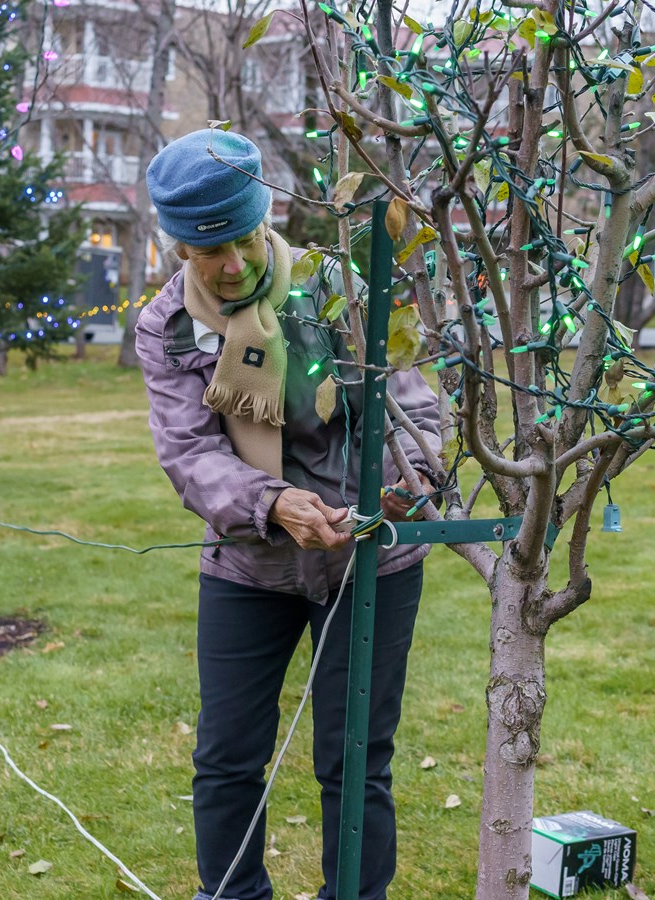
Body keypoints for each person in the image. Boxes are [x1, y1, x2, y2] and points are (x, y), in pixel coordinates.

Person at [134, 128, 443, 900]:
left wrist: (385, 497)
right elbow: (189, 453)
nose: (232, 265)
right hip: (249, 561)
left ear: (265, 213)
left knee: (355, 756)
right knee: (228, 757)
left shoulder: (340, 288)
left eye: (242, 240)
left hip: (369, 557)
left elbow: (418, 419)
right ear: (178, 248)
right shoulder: (167, 325)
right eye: (209, 252)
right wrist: (271, 503)